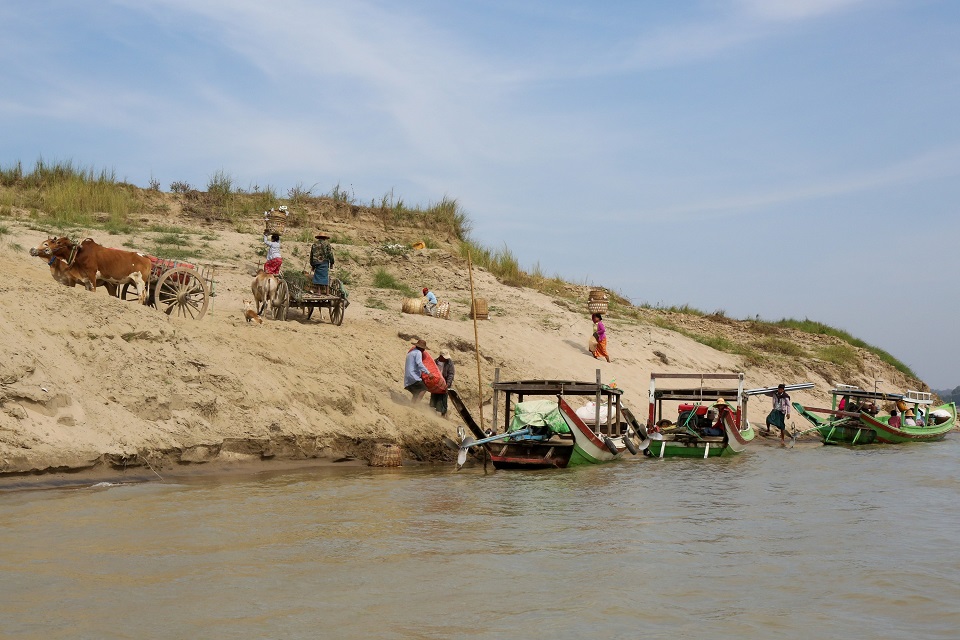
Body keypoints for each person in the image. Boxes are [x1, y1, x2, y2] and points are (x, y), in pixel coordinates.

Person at [429, 351, 456, 416]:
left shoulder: (449, 363)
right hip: (436, 382)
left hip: (445, 382)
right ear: (441, 356)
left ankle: (443, 414)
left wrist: (448, 384)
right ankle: (432, 413)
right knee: (434, 397)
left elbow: (451, 374)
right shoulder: (435, 362)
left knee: (443, 399)